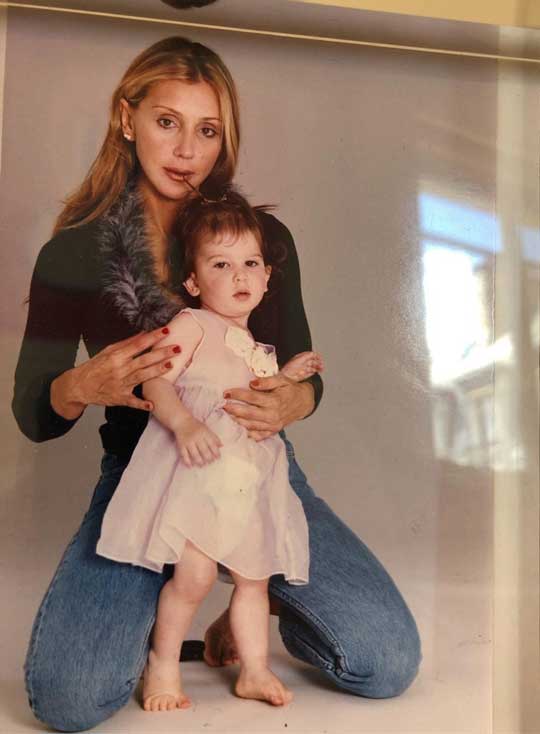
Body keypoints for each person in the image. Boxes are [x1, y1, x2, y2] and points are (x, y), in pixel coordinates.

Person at [12, 36, 421, 733]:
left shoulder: (257, 237)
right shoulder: (75, 251)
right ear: (126, 117)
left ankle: (248, 603)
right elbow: (35, 411)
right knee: (69, 700)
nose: (185, 149)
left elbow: (300, 368)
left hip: (256, 471)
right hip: (147, 474)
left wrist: (297, 397)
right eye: (166, 121)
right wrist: (81, 382)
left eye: (207, 130)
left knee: (384, 661)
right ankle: (173, 610)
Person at [97, 189, 323, 711]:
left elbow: (262, 394)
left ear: (267, 278)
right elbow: (154, 382)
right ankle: (163, 665)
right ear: (195, 282)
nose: (240, 276)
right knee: (194, 577)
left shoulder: (257, 346)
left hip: (250, 480)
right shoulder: (192, 325)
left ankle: (255, 670)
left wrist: (288, 377)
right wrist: (182, 424)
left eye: (250, 264)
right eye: (222, 264)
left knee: (253, 580)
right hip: (201, 476)